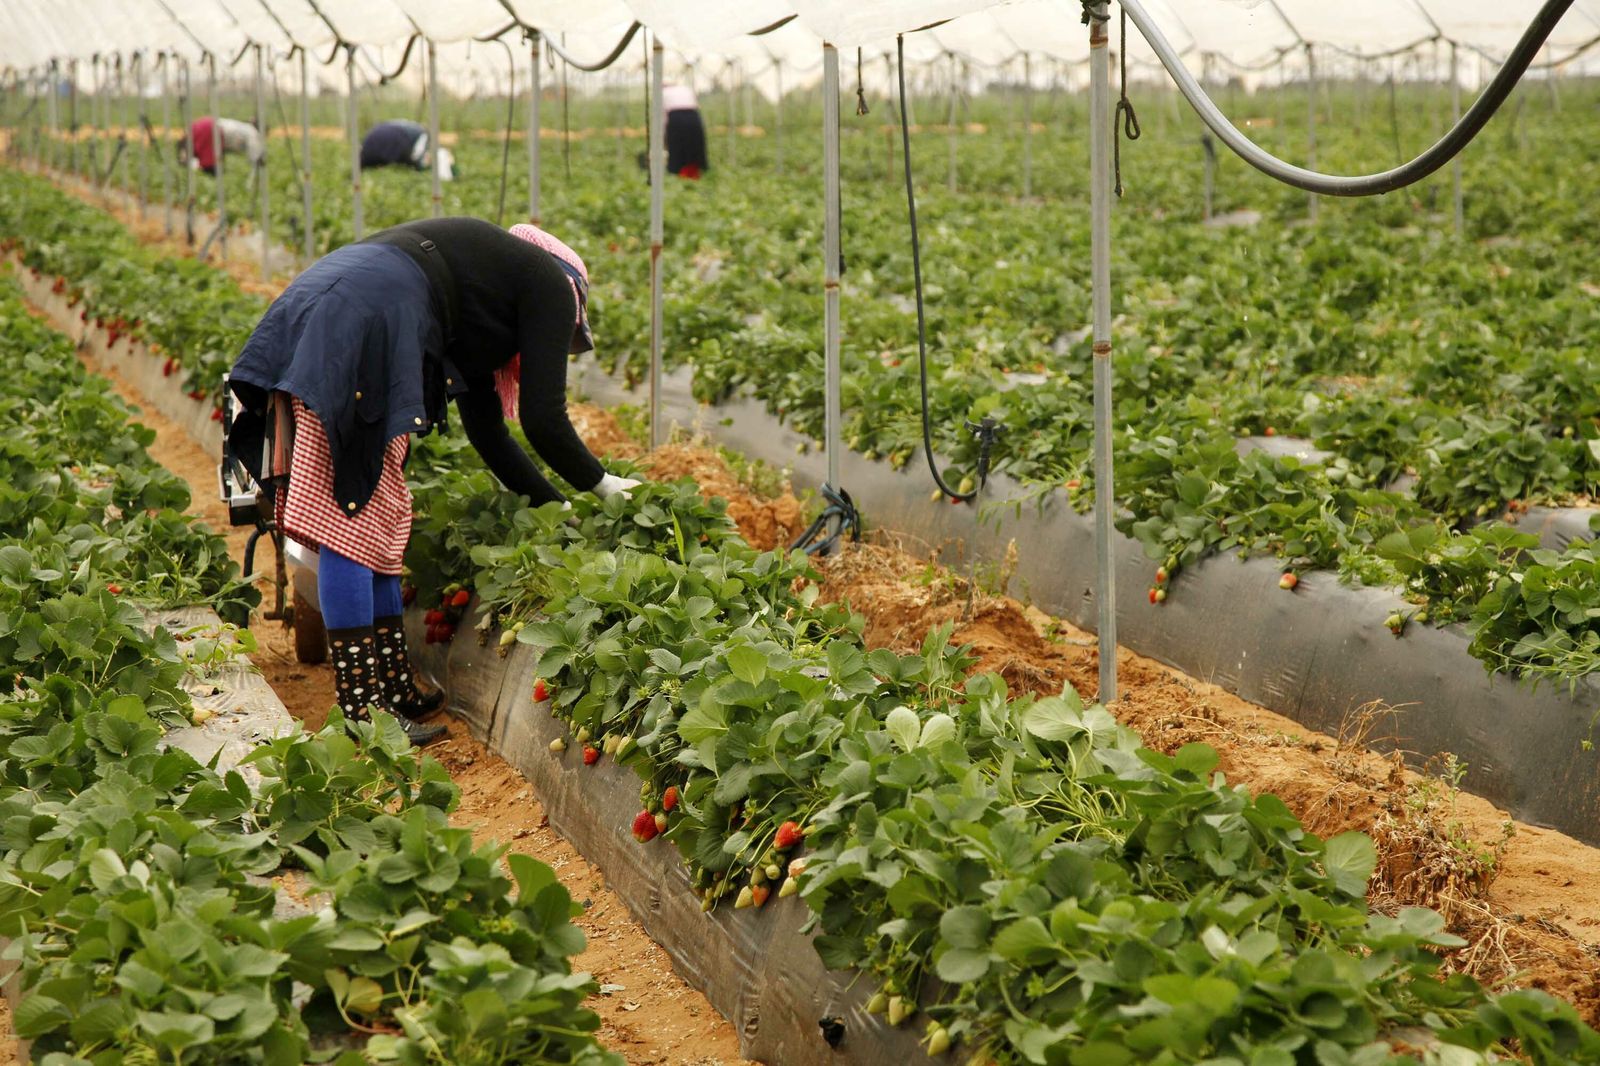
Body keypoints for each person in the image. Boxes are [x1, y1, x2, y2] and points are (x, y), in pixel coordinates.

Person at [226, 218, 639, 746]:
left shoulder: (485, 294)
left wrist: (558, 510)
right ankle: (364, 713)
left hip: (342, 303)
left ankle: (392, 687)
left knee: (377, 511)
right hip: (371, 318)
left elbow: (489, 434)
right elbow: (543, 420)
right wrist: (601, 485)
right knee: (351, 520)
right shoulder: (551, 283)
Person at [360, 119, 455, 182]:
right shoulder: (423, 135)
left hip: (373, 138)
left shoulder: (414, 129)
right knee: (407, 165)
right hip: (397, 137)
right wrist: (419, 166)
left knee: (368, 162)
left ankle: (354, 176)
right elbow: (416, 157)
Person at [179, 116, 265, 176]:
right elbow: (255, 156)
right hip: (212, 131)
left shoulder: (243, 127)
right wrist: (259, 162)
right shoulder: (253, 132)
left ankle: (190, 166)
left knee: (196, 153)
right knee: (210, 164)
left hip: (206, 125)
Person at [662, 84, 709, 179]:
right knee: (695, 145)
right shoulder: (686, 89)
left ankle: (678, 172)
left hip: (675, 117)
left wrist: (664, 135)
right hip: (693, 115)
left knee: (676, 146)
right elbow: (696, 105)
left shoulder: (662, 93)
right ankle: (695, 172)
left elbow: (662, 116)